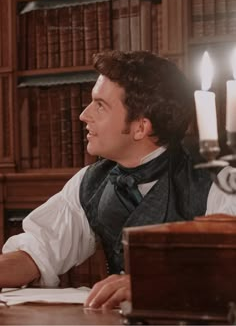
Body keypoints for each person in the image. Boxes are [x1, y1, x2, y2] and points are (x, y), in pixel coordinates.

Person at [0, 51, 234, 309]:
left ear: (140, 128)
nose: (83, 115)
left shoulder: (218, 181)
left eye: (100, 105)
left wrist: (151, 284)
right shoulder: (90, 182)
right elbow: (39, 250)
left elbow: (227, 273)